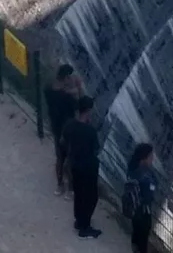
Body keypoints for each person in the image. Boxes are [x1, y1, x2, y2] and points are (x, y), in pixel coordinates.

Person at [63, 95, 101, 238]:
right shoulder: (90, 131)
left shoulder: (70, 124)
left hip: (75, 165)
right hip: (88, 167)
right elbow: (96, 149)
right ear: (89, 110)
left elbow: (64, 140)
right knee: (91, 197)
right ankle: (85, 227)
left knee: (79, 194)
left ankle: (79, 221)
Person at [45, 64, 83, 194]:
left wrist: (67, 91)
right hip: (68, 131)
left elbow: (55, 90)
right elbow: (79, 106)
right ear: (66, 78)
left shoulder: (49, 91)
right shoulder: (67, 98)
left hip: (56, 128)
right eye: (69, 77)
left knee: (59, 158)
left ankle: (59, 185)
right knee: (71, 158)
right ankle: (70, 188)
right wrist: (78, 89)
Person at [122, 143, 158, 253]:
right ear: (144, 158)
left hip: (134, 208)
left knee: (136, 234)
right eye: (151, 156)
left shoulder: (132, 168)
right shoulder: (145, 175)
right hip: (143, 211)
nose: (152, 159)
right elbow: (150, 192)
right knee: (143, 239)